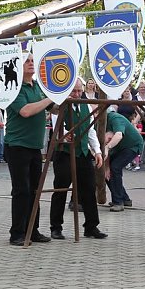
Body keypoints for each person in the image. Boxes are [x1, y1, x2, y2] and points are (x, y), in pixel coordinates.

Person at [4, 53, 54, 246]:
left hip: (34, 146)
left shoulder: (36, 87)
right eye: (27, 61)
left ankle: (32, 230)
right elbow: (25, 111)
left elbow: (49, 108)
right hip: (17, 146)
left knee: (35, 190)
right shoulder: (14, 88)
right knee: (21, 190)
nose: (32, 64)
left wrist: (58, 96)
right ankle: (17, 232)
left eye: (33, 60)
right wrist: (49, 99)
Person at [48, 78, 107, 240]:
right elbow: (58, 126)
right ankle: (56, 227)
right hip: (64, 153)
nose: (76, 94)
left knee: (88, 189)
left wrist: (97, 151)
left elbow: (90, 130)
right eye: (73, 91)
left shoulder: (85, 105)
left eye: (79, 91)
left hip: (81, 152)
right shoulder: (60, 105)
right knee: (60, 189)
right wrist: (65, 135)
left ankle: (91, 226)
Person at [104, 107, 144, 212]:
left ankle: (118, 202)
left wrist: (108, 147)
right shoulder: (98, 123)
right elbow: (104, 146)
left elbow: (118, 135)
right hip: (117, 148)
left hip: (132, 146)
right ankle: (125, 199)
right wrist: (106, 168)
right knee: (107, 173)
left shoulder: (115, 118)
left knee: (115, 167)